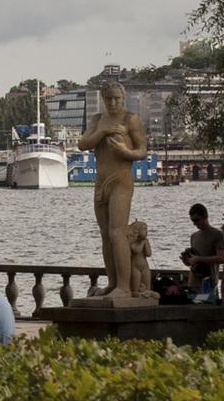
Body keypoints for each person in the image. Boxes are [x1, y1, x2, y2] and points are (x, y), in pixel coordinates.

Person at [78, 79, 148, 297]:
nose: (113, 102)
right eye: (109, 99)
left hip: (121, 181)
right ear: (103, 99)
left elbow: (142, 151)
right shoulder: (98, 119)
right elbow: (83, 144)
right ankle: (112, 282)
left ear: (123, 98)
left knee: (117, 233)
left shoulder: (130, 119)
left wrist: (123, 150)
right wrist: (103, 131)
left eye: (117, 98)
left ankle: (124, 287)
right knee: (105, 235)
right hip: (101, 182)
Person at [182, 203, 224, 303]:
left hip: (208, 283)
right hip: (193, 283)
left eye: (197, 220)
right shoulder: (193, 236)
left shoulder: (217, 234)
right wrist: (188, 261)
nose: (195, 223)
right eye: (192, 221)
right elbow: (194, 260)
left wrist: (198, 259)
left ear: (205, 216)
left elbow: (221, 258)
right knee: (194, 307)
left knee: (208, 306)